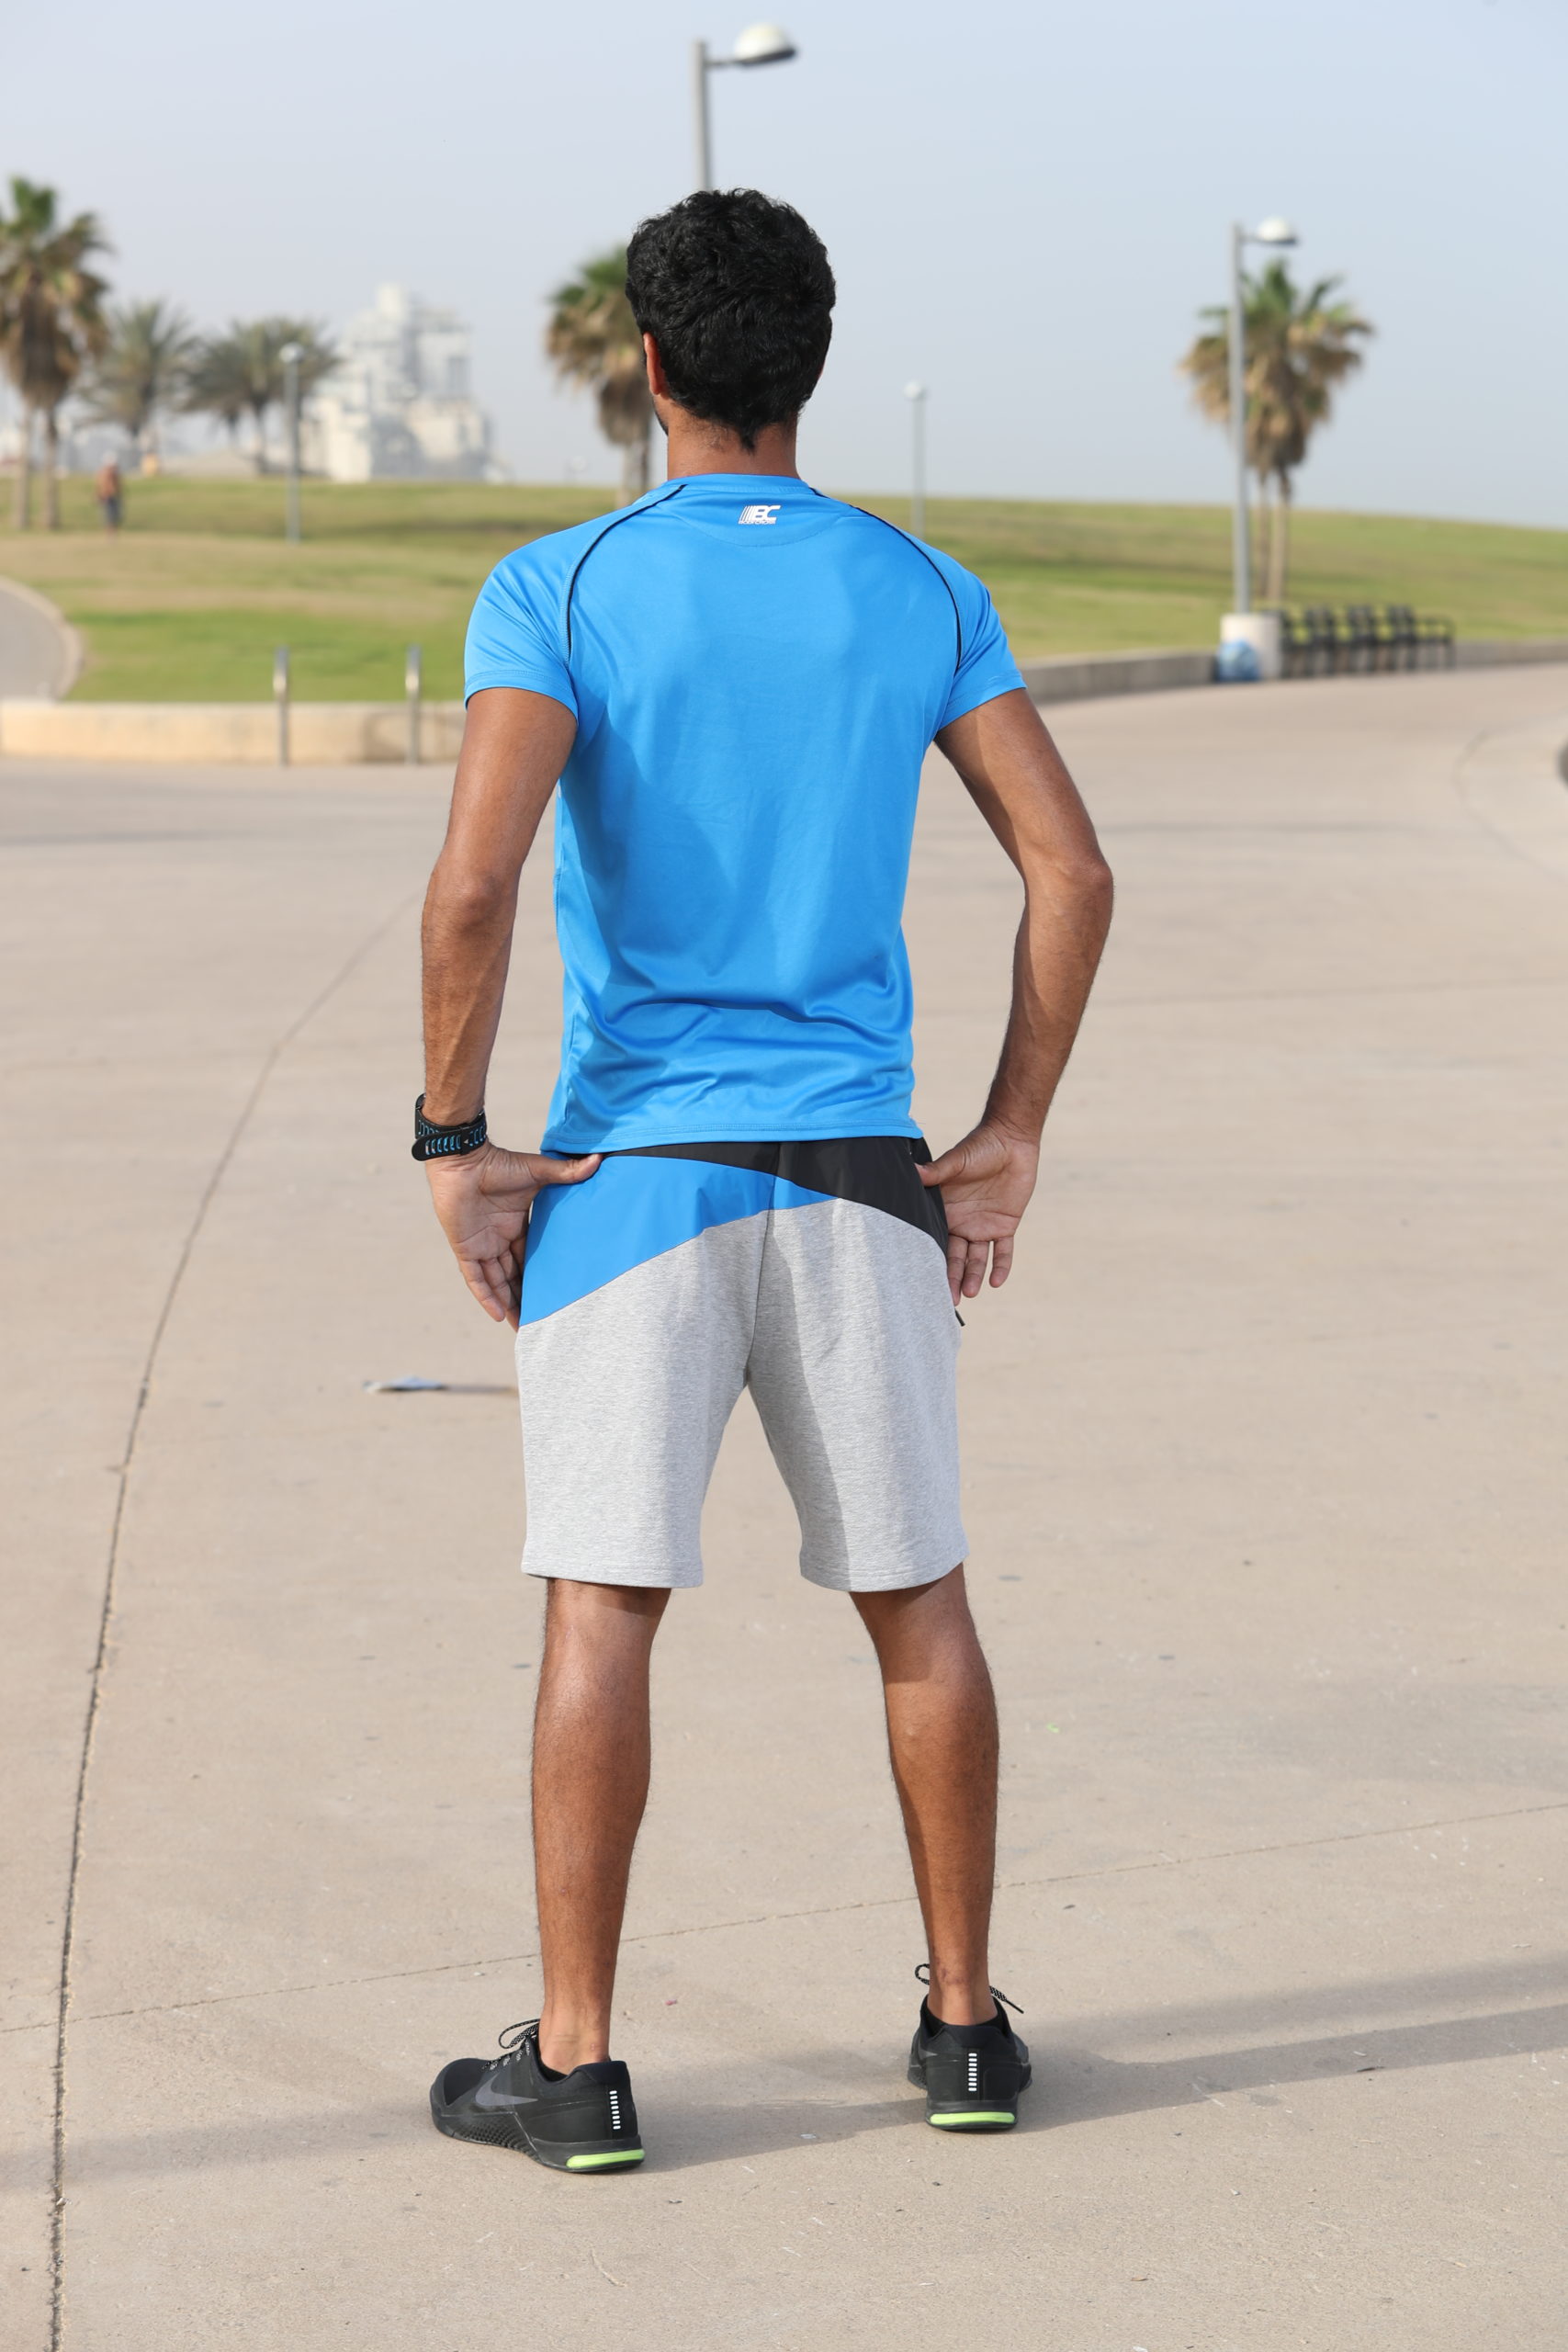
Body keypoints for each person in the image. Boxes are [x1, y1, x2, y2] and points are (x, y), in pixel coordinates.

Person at [418, 189, 1113, 2175]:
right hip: (860, 1177)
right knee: (919, 1606)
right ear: (807, 365)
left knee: (600, 1611)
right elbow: (1071, 868)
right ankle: (964, 2030)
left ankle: (576, 2069)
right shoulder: (915, 586)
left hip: (635, 1175)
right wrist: (1009, 1129)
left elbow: (471, 886)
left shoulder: (558, 585)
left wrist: (455, 1143)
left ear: (646, 366)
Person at [95, 456, 122, 532]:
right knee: (109, 516)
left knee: (115, 515)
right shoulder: (104, 474)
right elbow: (100, 486)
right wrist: (100, 495)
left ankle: (113, 531)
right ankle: (110, 532)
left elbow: (117, 486)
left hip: (114, 496)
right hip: (107, 497)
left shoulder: (114, 474)